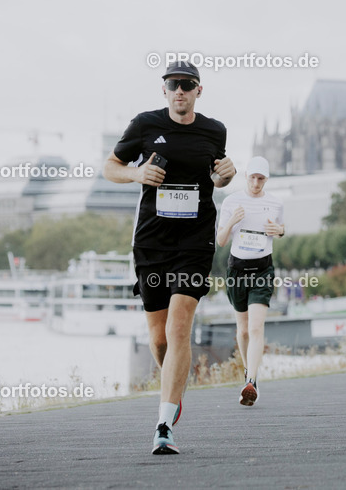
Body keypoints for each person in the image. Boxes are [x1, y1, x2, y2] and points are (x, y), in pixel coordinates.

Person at [103, 61, 236, 455]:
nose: (180, 90)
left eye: (187, 85)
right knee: (159, 338)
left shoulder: (214, 130)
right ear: (164, 90)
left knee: (180, 330)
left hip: (195, 242)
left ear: (198, 90)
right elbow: (111, 166)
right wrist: (137, 175)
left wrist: (226, 177)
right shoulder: (144, 124)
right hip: (152, 242)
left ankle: (164, 423)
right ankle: (173, 388)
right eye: (173, 84)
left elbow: (218, 177)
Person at [216, 156, 284, 407]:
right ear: (246, 177)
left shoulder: (275, 202)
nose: (256, 183)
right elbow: (221, 240)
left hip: (263, 270)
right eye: (253, 177)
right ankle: (248, 372)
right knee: (243, 330)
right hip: (237, 270)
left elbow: (282, 227)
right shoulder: (232, 201)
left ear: (266, 179)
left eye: (261, 179)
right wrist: (233, 220)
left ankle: (252, 382)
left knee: (256, 328)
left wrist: (279, 230)